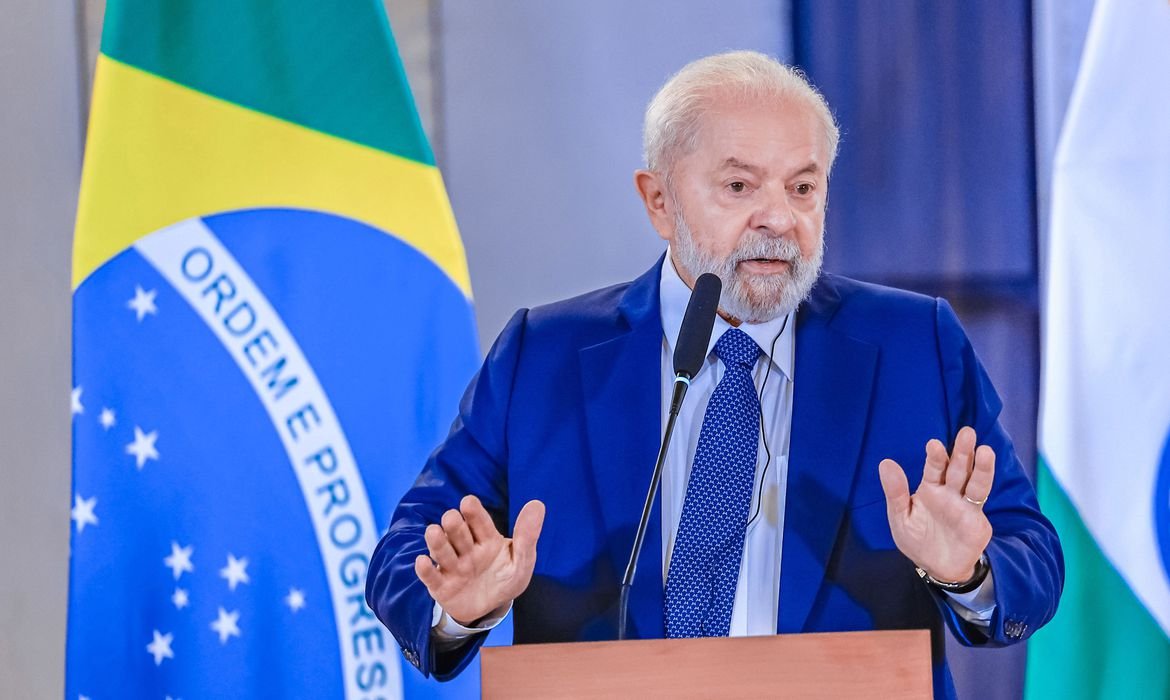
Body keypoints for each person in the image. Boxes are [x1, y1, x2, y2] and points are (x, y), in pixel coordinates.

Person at [365, 51, 1063, 699]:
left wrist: (967, 572)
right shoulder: (542, 357)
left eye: (803, 187)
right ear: (659, 201)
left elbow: (1031, 557)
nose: (779, 218)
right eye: (738, 185)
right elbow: (404, 557)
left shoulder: (914, 346)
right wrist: (457, 606)